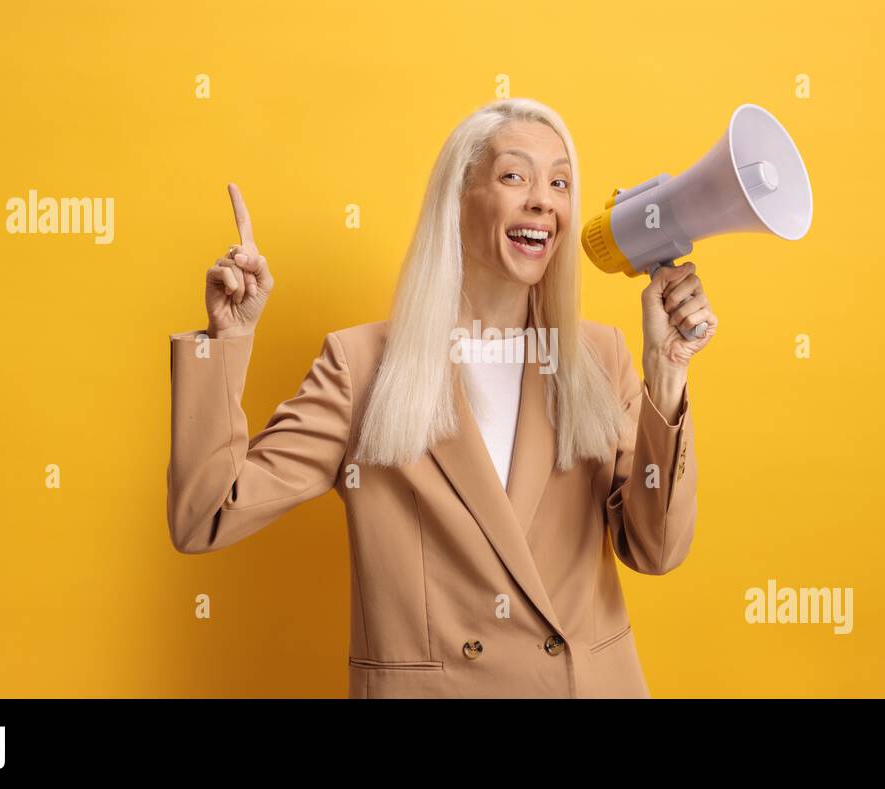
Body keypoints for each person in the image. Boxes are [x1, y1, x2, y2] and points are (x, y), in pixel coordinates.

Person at [167, 97, 717, 698]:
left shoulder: (598, 359)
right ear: (457, 198)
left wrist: (667, 372)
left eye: (561, 182)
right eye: (514, 176)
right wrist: (228, 339)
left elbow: (658, 549)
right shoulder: (362, 368)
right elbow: (205, 517)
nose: (544, 200)